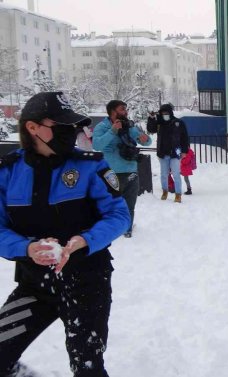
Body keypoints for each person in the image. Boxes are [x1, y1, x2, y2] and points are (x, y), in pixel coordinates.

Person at [0, 91, 130, 377]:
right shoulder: (8, 172)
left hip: (87, 281)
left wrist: (84, 240)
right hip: (36, 286)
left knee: (87, 366)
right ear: (32, 128)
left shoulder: (89, 164)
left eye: (72, 125)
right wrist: (27, 248)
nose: (70, 132)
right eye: (60, 125)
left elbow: (119, 215)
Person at [93, 100, 152, 237]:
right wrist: (113, 131)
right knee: (110, 205)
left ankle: (127, 228)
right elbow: (97, 145)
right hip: (111, 173)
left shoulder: (129, 126)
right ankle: (110, 229)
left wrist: (145, 138)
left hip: (131, 171)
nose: (125, 111)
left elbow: (146, 141)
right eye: (122, 109)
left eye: (126, 109)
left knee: (129, 204)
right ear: (113, 111)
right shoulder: (102, 127)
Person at [147, 103, 190, 203]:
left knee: (176, 174)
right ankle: (165, 191)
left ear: (170, 112)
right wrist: (152, 118)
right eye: (162, 113)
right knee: (164, 174)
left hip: (175, 153)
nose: (164, 114)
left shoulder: (178, 123)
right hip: (163, 153)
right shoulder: (159, 123)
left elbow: (184, 138)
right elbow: (150, 129)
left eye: (166, 112)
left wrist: (184, 151)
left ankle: (178, 194)